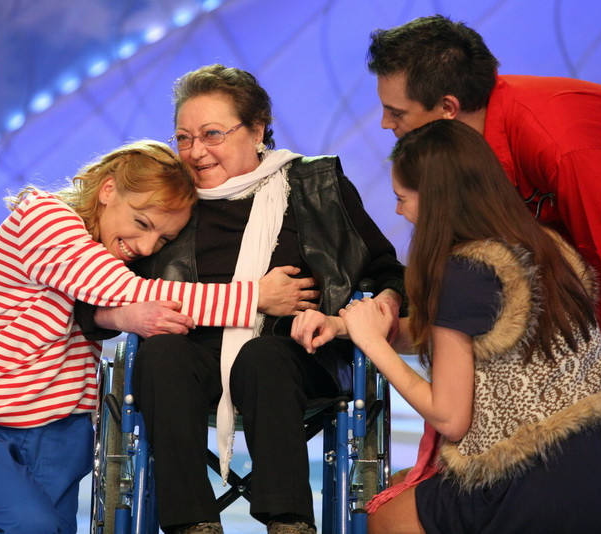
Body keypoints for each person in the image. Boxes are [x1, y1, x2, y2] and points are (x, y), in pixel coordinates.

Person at [366, 15, 601, 534]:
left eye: (396, 112)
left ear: (448, 108)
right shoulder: (481, 144)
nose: (386, 124)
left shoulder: (558, 141)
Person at [0, 139, 315, 534]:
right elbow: (123, 289)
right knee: (26, 526)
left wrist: (121, 314)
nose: (146, 247)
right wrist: (255, 297)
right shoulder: (42, 217)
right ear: (107, 190)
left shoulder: (106, 250)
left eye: (163, 239)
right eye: (142, 223)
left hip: (60, 430)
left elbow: (104, 300)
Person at [75, 64, 407, 534]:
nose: (195, 152)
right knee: (162, 354)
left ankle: (289, 522)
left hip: (297, 358)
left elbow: (388, 272)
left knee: (263, 355)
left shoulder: (316, 184)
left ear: (257, 130)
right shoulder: (168, 199)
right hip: (191, 365)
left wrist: (362, 313)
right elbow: (90, 296)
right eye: (184, 138)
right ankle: (193, 524)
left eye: (212, 134)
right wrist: (124, 315)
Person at [292, 119, 601, 533]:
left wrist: (374, 345)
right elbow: (459, 339)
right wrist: (346, 327)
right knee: (404, 489)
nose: (398, 211)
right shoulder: (545, 244)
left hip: (539, 476)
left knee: (384, 516)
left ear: (437, 201)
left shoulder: (463, 271)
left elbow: (449, 418)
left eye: (402, 198)